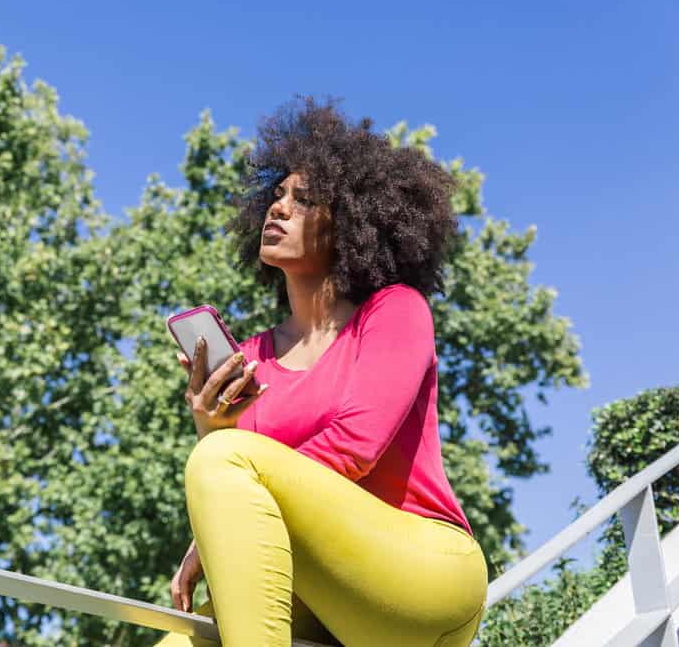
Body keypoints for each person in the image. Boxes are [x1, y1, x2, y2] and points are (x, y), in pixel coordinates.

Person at [154, 96, 487, 646]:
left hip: (424, 575)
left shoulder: (395, 311)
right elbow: (238, 473)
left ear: (352, 225)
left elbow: (354, 445)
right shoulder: (254, 356)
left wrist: (224, 460)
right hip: (323, 597)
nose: (277, 209)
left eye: (303, 200)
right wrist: (209, 423)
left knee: (223, 459)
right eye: (276, 196)